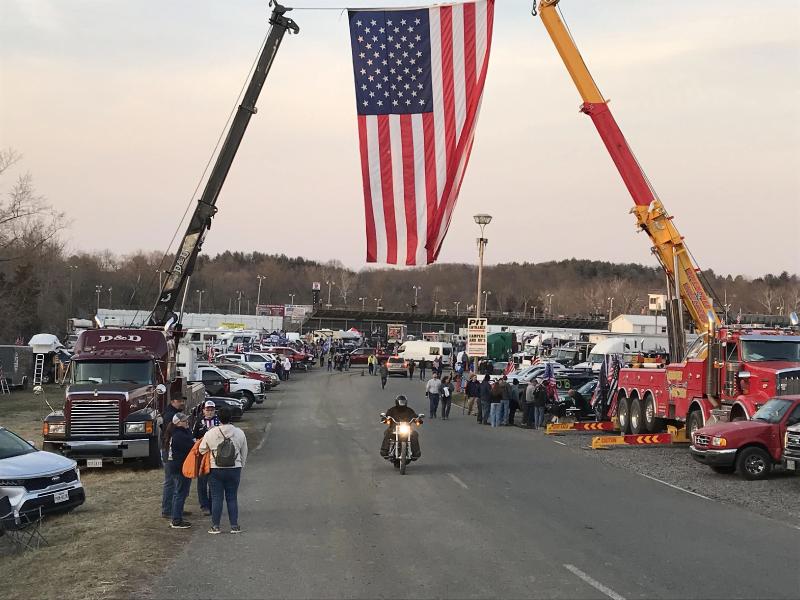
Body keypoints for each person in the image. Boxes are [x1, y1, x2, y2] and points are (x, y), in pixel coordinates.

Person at [199, 406, 248, 534]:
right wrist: (240, 465)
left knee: (216, 498)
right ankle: (234, 525)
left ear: (218, 418)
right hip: (234, 468)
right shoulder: (239, 432)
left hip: (216, 468)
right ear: (231, 417)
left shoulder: (210, 433)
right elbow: (244, 451)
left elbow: (201, 449)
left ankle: (215, 526)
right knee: (232, 497)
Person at [164, 412, 194, 529]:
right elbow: (191, 447)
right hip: (179, 467)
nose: (187, 422)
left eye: (187, 420)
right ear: (177, 423)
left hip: (176, 465)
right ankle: (176, 520)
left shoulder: (178, 433)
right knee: (180, 492)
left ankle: (178, 514)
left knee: (180, 492)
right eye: (184, 421)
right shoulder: (179, 435)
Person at [192, 400, 220, 516]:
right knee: (202, 481)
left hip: (215, 455)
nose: (209, 412)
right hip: (203, 455)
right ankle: (204, 505)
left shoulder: (218, 421)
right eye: (207, 410)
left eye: (211, 410)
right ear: (203, 410)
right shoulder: (198, 422)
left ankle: (213, 504)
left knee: (213, 481)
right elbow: (193, 437)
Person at [161, 396, 186, 519]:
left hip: (170, 454)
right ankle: (167, 509)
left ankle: (176, 507)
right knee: (170, 481)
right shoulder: (170, 415)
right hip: (169, 455)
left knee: (175, 482)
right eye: (179, 400)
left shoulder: (175, 413)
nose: (182, 402)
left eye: (182, 400)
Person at [379, 395, 421, 459]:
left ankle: (416, 452)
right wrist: (385, 419)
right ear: (397, 402)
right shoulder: (392, 410)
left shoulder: (409, 410)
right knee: (387, 432)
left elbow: (414, 416)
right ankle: (384, 450)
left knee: (415, 434)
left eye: (403, 402)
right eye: (401, 402)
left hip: (407, 429)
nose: (402, 403)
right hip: (394, 428)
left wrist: (418, 419)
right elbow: (387, 416)